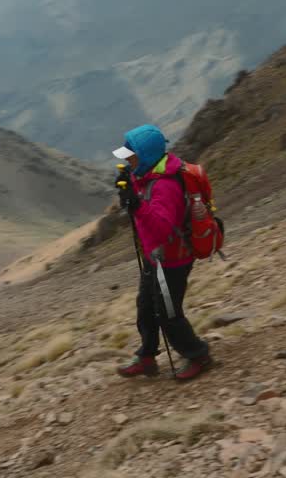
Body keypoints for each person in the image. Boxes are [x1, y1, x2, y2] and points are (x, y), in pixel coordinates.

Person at [112, 124, 213, 381]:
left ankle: (198, 355)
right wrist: (129, 190)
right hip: (154, 257)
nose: (126, 158)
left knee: (168, 313)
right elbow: (144, 203)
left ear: (144, 155)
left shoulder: (165, 185)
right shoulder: (147, 174)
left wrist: (135, 205)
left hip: (172, 260)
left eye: (130, 154)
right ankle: (147, 356)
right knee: (146, 307)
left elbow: (161, 230)